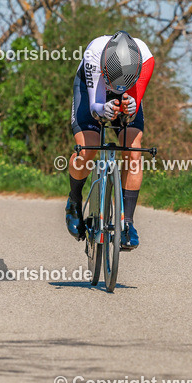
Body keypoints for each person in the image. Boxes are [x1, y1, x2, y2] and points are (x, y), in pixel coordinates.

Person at [65, 30, 154, 250]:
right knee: (87, 150)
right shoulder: (94, 53)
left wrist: (130, 107)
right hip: (92, 91)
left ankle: (127, 223)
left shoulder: (147, 58)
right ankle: (74, 201)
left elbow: (133, 107)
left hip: (129, 89)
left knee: (134, 152)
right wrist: (102, 108)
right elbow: (96, 105)